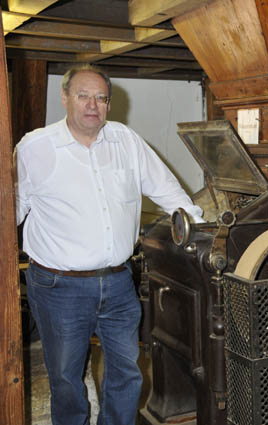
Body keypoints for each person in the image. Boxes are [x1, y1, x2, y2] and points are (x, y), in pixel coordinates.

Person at [14, 64, 204, 425]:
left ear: (109, 104)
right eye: (83, 96)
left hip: (118, 283)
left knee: (127, 372)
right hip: (59, 287)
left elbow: (167, 190)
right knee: (67, 379)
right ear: (65, 97)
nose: (92, 105)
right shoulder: (35, 148)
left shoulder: (125, 141)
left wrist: (195, 223)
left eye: (101, 98)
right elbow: (12, 211)